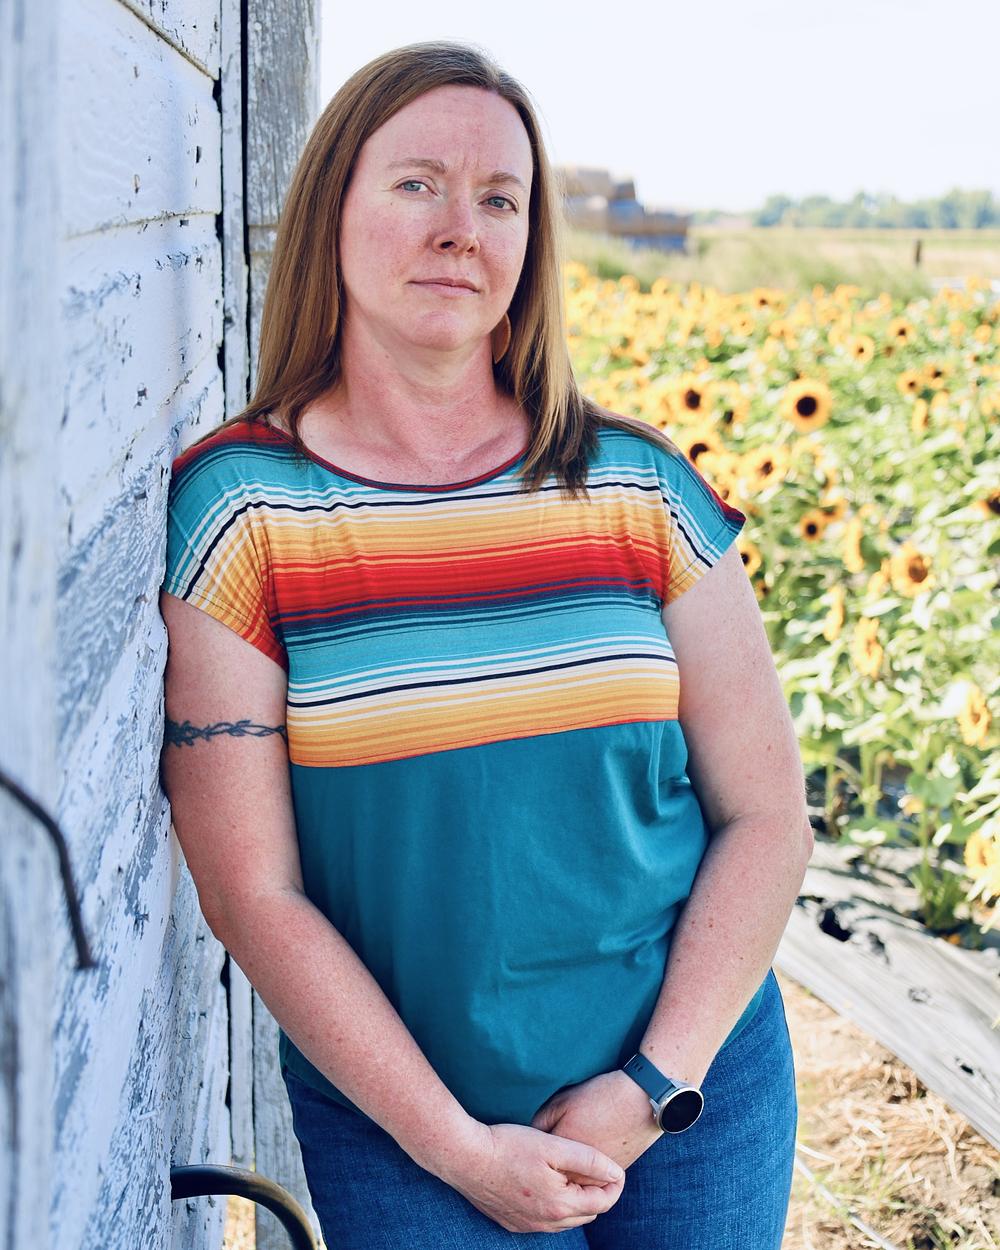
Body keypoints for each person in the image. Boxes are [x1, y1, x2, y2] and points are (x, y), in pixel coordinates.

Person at [159, 40, 812, 1249]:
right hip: (407, 1125)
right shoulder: (244, 511)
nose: (460, 229)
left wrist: (651, 1085)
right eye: (417, 183)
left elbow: (768, 815)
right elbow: (251, 887)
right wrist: (456, 1147)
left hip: (690, 1089)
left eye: (499, 198)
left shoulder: (639, 486)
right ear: (332, 210)